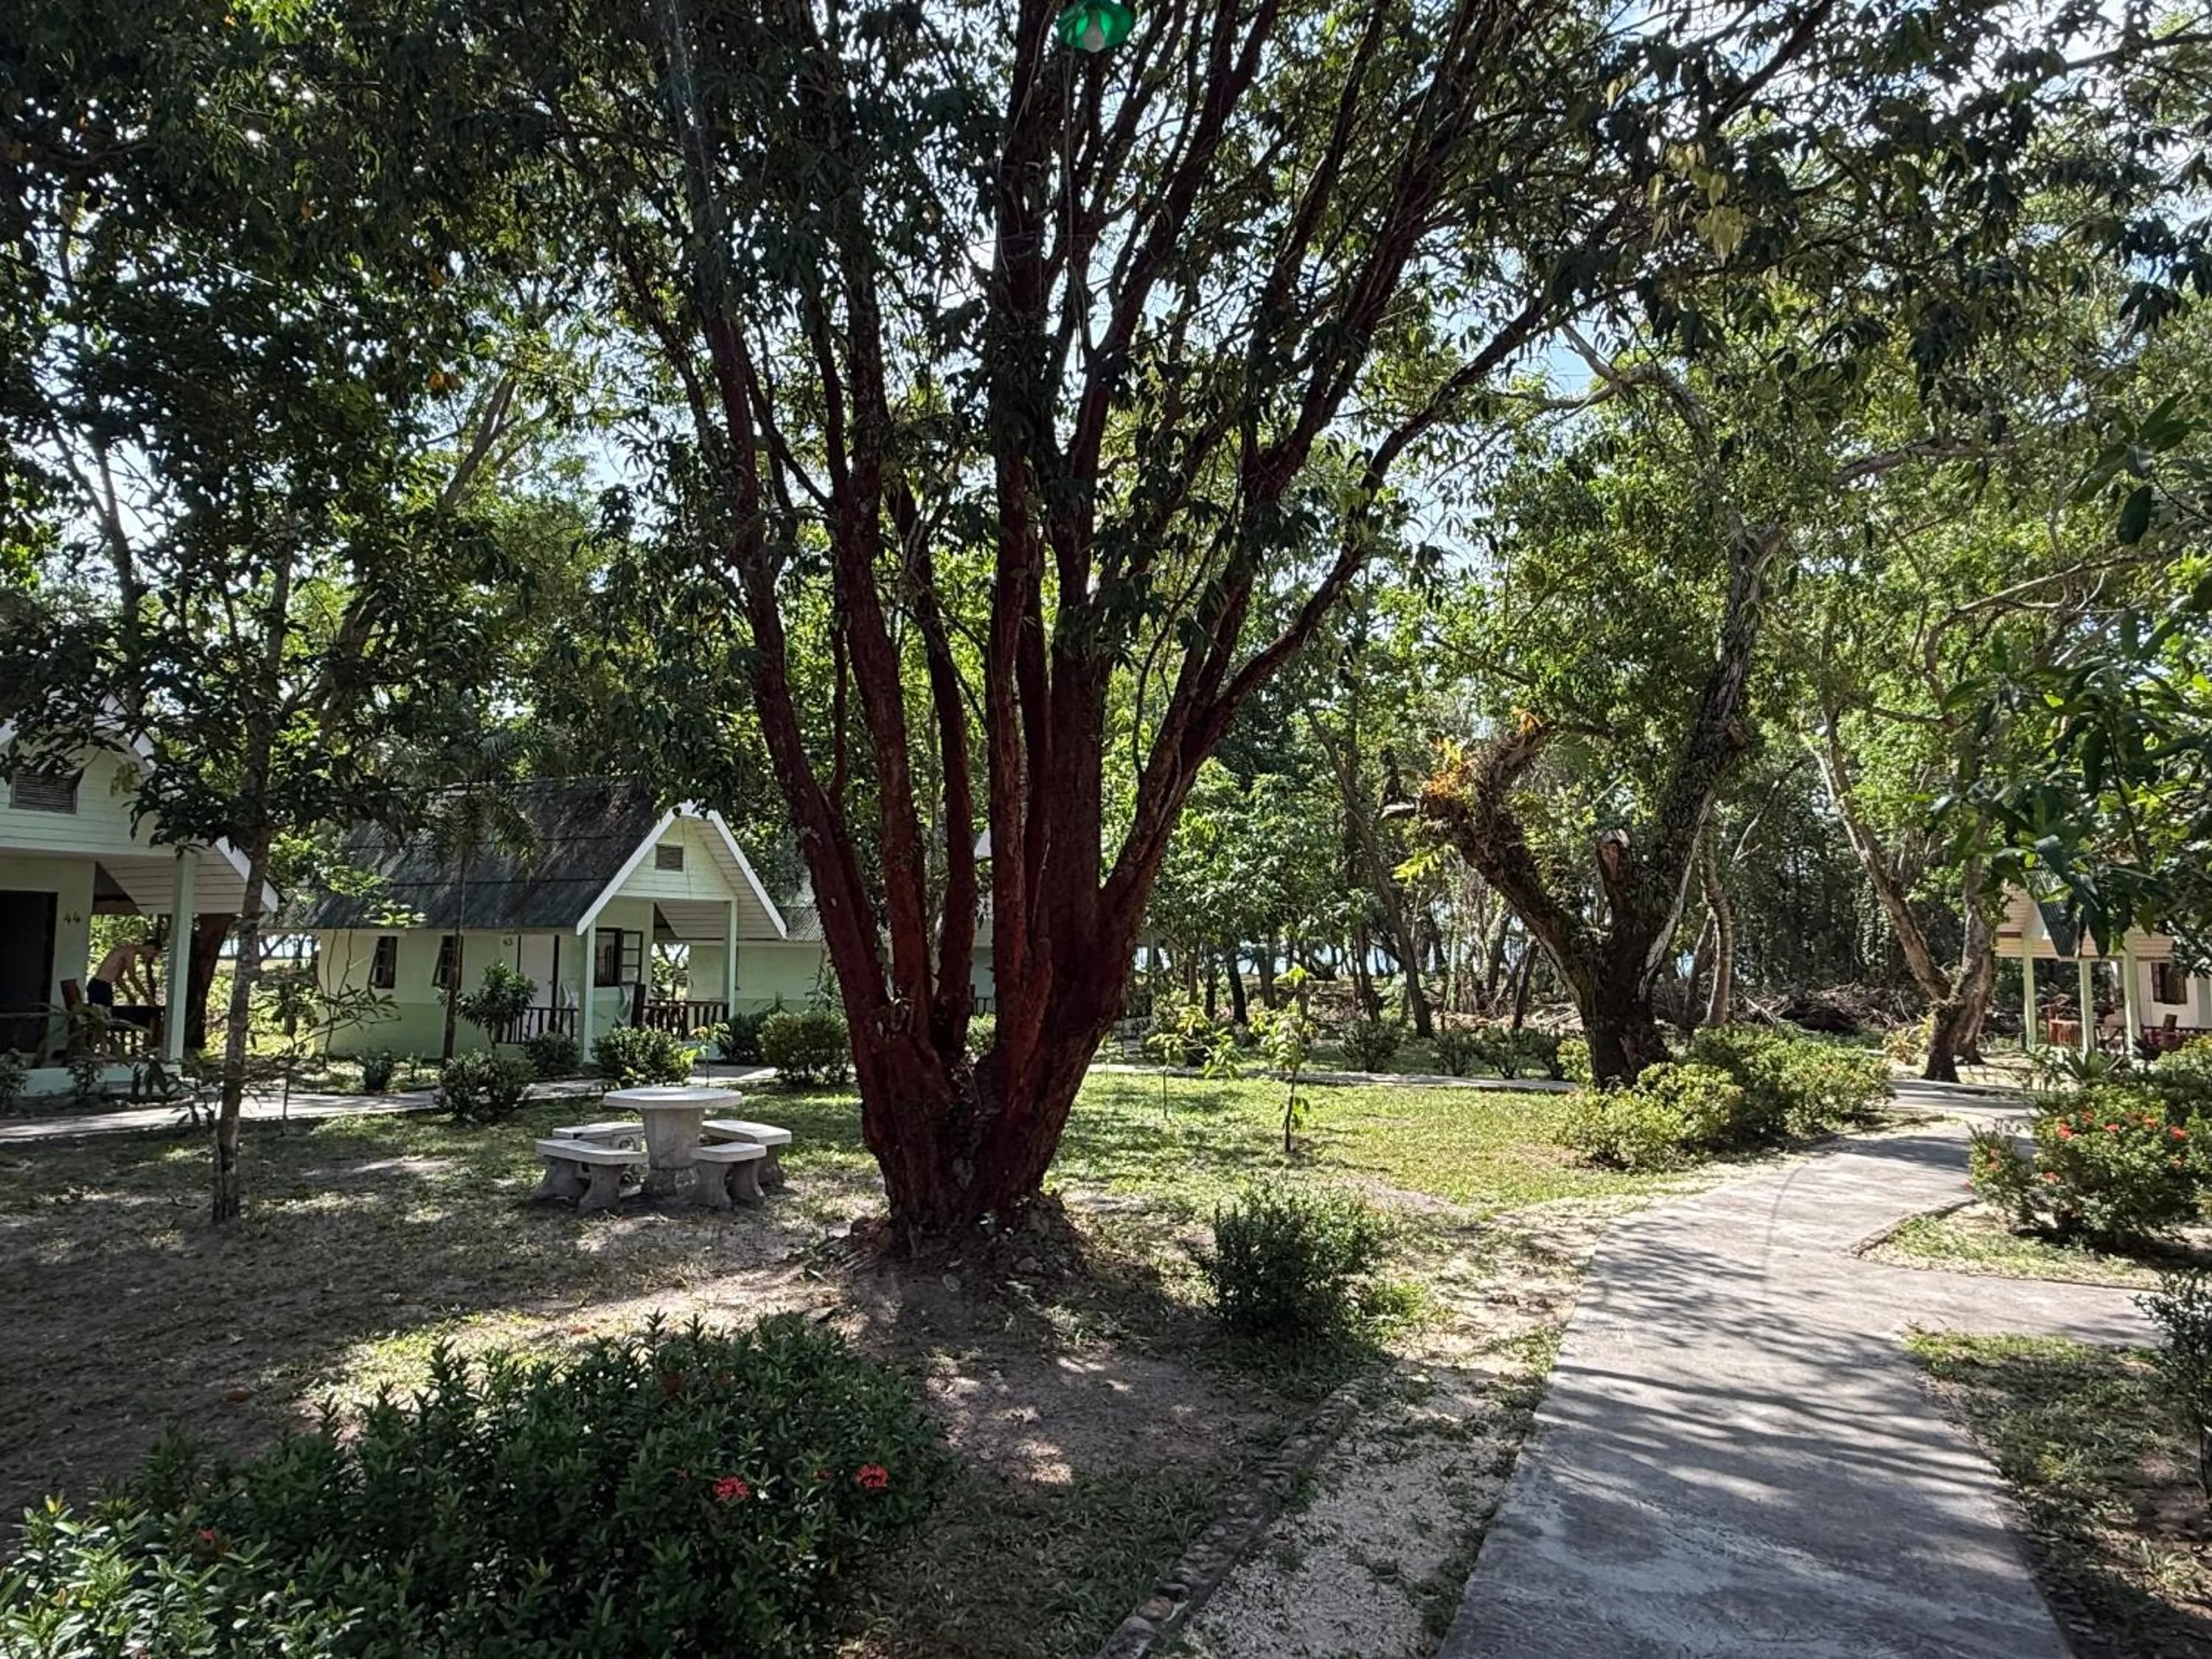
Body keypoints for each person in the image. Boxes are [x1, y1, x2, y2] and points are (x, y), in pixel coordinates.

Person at [87, 937, 155, 1011]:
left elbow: (118, 978)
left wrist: (129, 994)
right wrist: (147, 997)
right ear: (150, 947)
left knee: (103, 1017)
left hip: (101, 986)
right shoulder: (130, 951)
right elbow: (132, 977)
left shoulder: (126, 951)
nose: (152, 957)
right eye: (154, 954)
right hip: (100, 986)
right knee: (101, 1017)